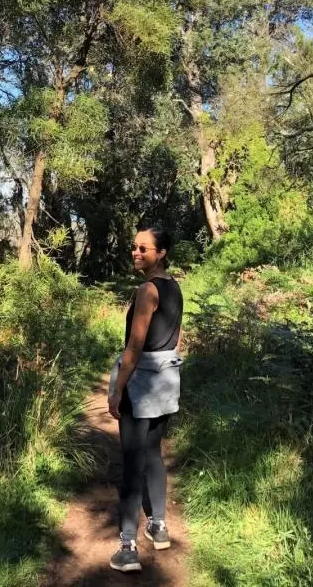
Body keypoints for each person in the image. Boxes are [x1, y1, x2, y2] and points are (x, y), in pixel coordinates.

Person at [107, 226, 184, 573]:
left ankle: (128, 546)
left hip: (141, 385)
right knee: (154, 452)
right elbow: (173, 338)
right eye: (133, 247)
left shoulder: (146, 290)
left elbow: (134, 347)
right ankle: (159, 526)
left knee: (132, 461)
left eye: (144, 248)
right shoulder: (175, 288)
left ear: (162, 252)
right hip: (167, 380)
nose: (136, 252)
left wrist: (118, 388)